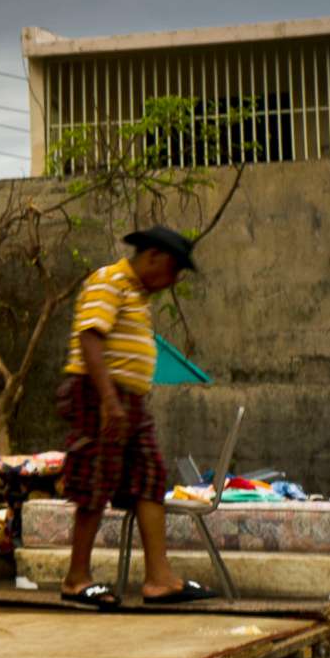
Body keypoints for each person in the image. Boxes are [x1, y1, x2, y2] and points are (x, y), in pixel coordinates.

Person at [56, 225, 210, 609]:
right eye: (173, 270)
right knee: (95, 477)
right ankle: (76, 579)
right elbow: (90, 337)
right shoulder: (110, 281)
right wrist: (109, 400)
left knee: (149, 477)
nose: (172, 281)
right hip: (99, 393)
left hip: (129, 401)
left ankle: (159, 579)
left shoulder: (139, 297)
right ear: (154, 255)